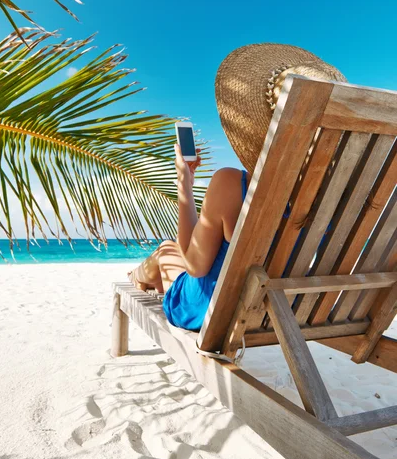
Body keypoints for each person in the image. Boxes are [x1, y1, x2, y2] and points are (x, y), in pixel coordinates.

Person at [128, 43, 347, 331]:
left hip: (216, 313)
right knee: (166, 255)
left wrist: (185, 183)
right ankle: (144, 274)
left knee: (167, 250)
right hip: (285, 313)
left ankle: (138, 276)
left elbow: (195, 266)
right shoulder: (341, 195)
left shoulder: (232, 183)